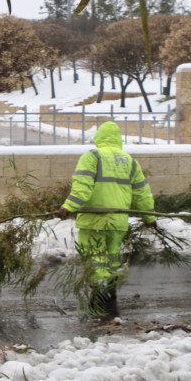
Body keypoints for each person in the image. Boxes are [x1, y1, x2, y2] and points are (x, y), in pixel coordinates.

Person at [56, 121, 156, 312]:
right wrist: (149, 217)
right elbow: (143, 193)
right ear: (118, 139)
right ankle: (110, 295)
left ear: (98, 138)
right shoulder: (130, 161)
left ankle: (100, 300)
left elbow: (82, 186)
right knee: (112, 258)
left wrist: (69, 205)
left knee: (95, 258)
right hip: (118, 221)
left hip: (95, 219)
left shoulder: (92, 156)